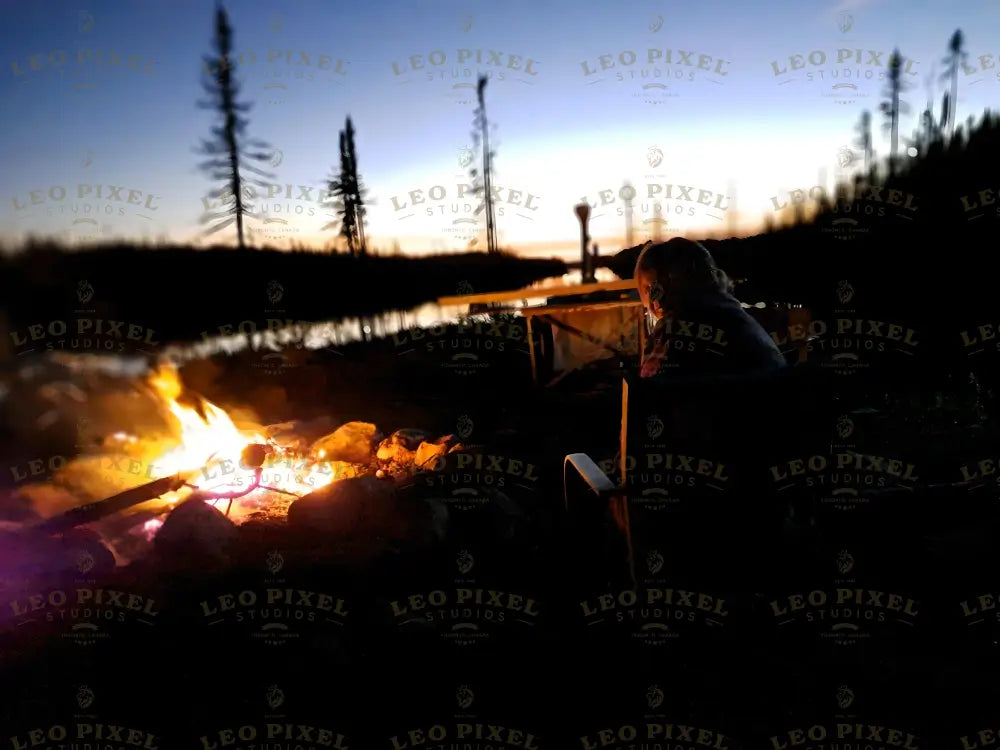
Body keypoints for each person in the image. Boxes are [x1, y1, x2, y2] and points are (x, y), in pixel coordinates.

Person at [634, 237, 786, 379]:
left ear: (654, 293)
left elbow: (648, 390)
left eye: (649, 309)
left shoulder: (675, 329)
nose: (653, 311)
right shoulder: (737, 318)